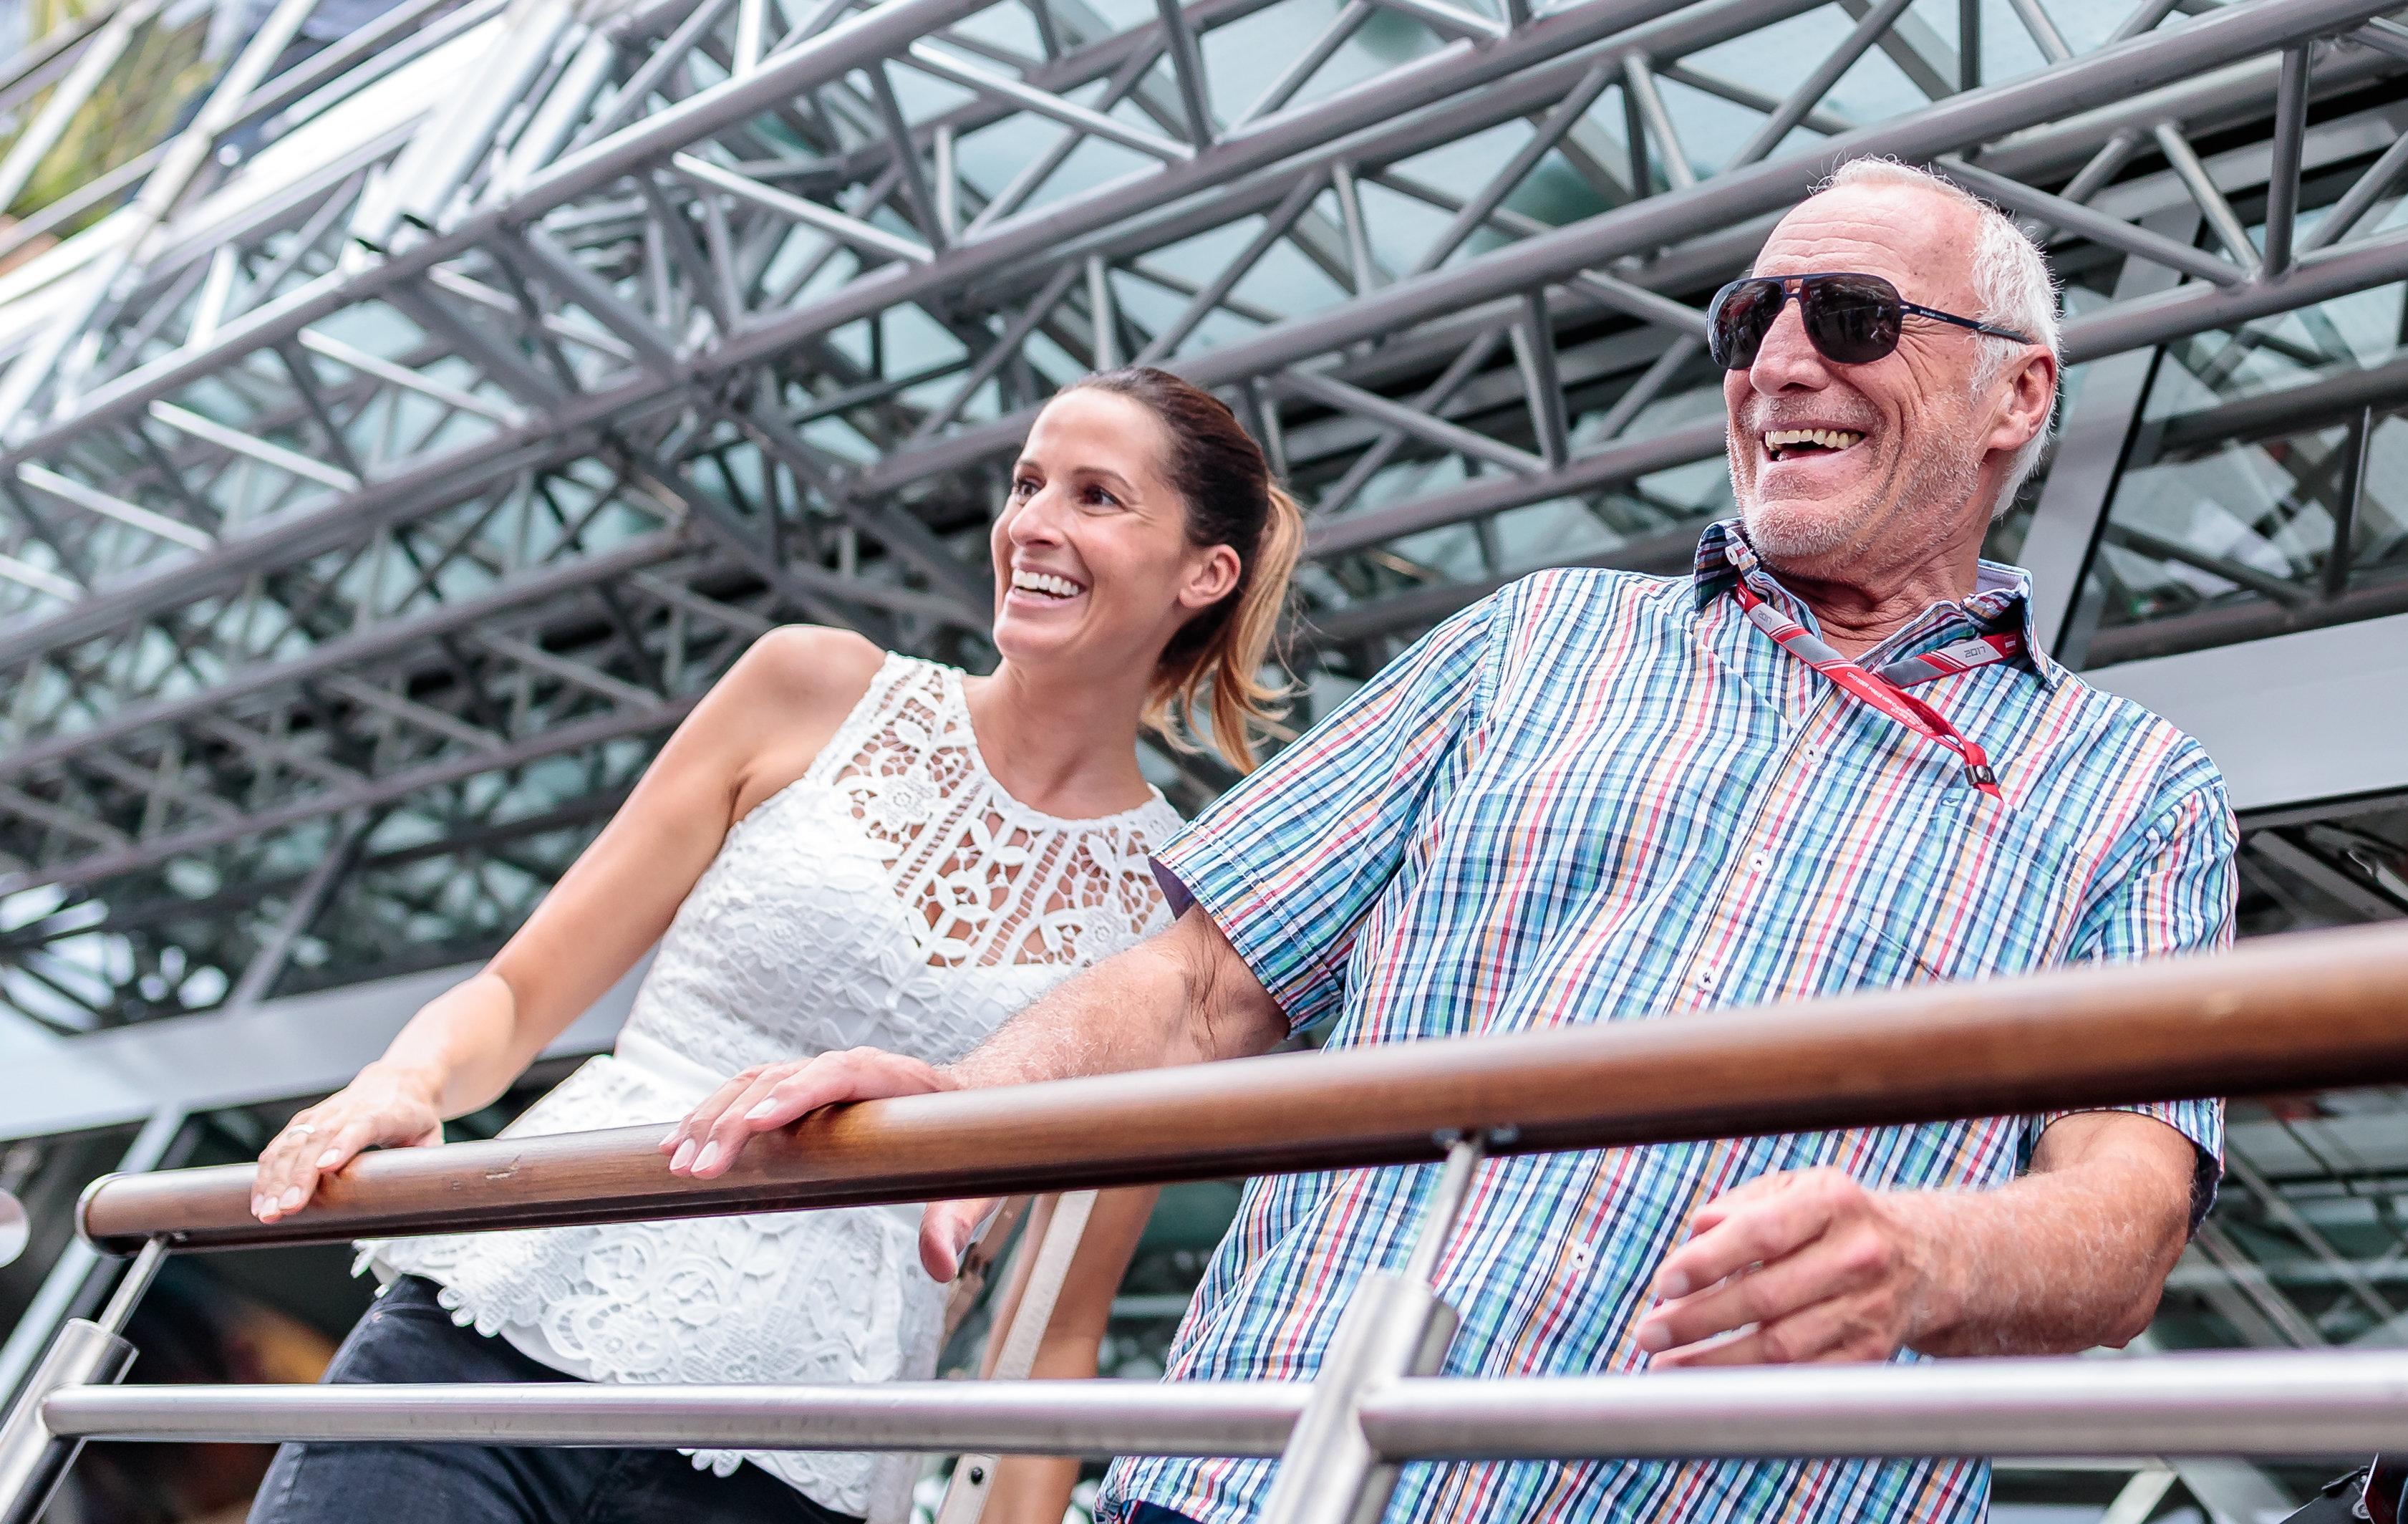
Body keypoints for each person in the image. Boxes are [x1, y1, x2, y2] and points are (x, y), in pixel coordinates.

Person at [665, 157, 2238, 1524]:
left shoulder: (2130, 791)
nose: (1775, 362)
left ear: (2015, 392)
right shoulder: (1534, 636)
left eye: (1850, 317)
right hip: (1257, 1476)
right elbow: (1208, 980)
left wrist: (1931, 1255)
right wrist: (972, 1093)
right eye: (1745, 322)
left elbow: (2123, 1211)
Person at [241, 367, 1305, 1524]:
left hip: (797, 1464)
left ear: (1205, 573)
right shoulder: (810, 686)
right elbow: (512, 997)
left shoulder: (1179, 911)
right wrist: (403, 1079)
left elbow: (1057, 1326)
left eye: (1098, 497)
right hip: (497, 1344)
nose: (1034, 524)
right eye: (1026, 482)